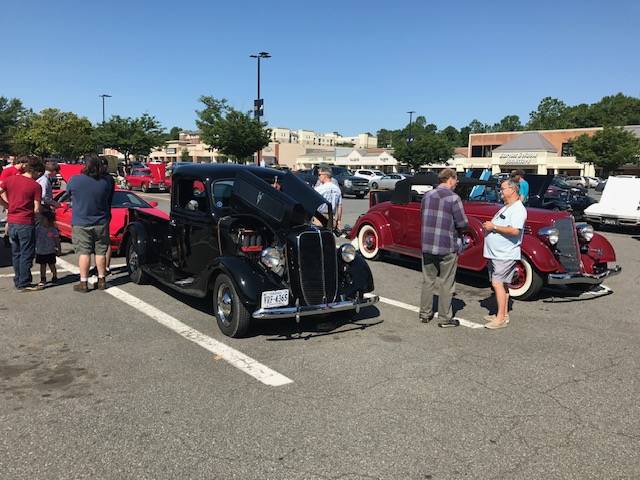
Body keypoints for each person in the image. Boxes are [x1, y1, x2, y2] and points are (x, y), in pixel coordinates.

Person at [418, 168, 469, 328]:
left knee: (428, 280)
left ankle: (425, 314)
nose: (457, 182)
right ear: (450, 179)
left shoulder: (427, 196)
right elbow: (462, 223)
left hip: (427, 243)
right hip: (447, 245)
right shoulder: (454, 198)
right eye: (456, 179)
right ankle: (444, 318)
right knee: (447, 282)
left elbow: (422, 214)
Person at [482, 179, 528, 329]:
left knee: (497, 283)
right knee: (503, 284)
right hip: (497, 253)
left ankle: (500, 319)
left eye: (503, 189)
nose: (501, 192)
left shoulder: (518, 209)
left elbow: (515, 230)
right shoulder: (508, 207)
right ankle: (503, 313)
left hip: (505, 254)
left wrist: (493, 226)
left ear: (512, 190)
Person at [66, 155, 115, 292]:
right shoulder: (106, 181)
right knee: (100, 252)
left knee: (84, 253)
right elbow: (109, 199)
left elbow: (69, 194)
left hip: (81, 221)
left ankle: (83, 283)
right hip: (101, 221)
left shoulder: (75, 180)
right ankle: (101, 280)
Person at [0, 156, 44, 291]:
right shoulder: (35, 186)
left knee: (16, 253)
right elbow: (36, 209)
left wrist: (7, 205)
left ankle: (18, 279)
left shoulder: (10, 180)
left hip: (12, 220)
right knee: (27, 253)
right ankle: (24, 282)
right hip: (26, 221)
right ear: (35, 171)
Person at [35, 210, 61, 288]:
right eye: (41, 219)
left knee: (52, 265)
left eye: (43, 219)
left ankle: (54, 275)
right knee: (42, 266)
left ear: (49, 221)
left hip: (50, 251)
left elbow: (57, 241)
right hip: (40, 251)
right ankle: (43, 279)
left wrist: (59, 249)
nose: (41, 221)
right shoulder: (38, 228)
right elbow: (34, 238)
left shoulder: (53, 230)